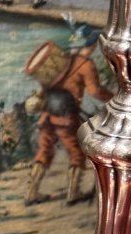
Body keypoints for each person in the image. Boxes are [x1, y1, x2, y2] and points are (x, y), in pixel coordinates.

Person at [23, 25, 112, 205]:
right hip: (65, 117)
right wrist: (114, 99)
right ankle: (74, 192)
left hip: (47, 115)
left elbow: (44, 87)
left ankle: (32, 192)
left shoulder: (61, 61)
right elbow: (95, 91)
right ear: (93, 45)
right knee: (76, 152)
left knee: (44, 151)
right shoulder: (86, 64)